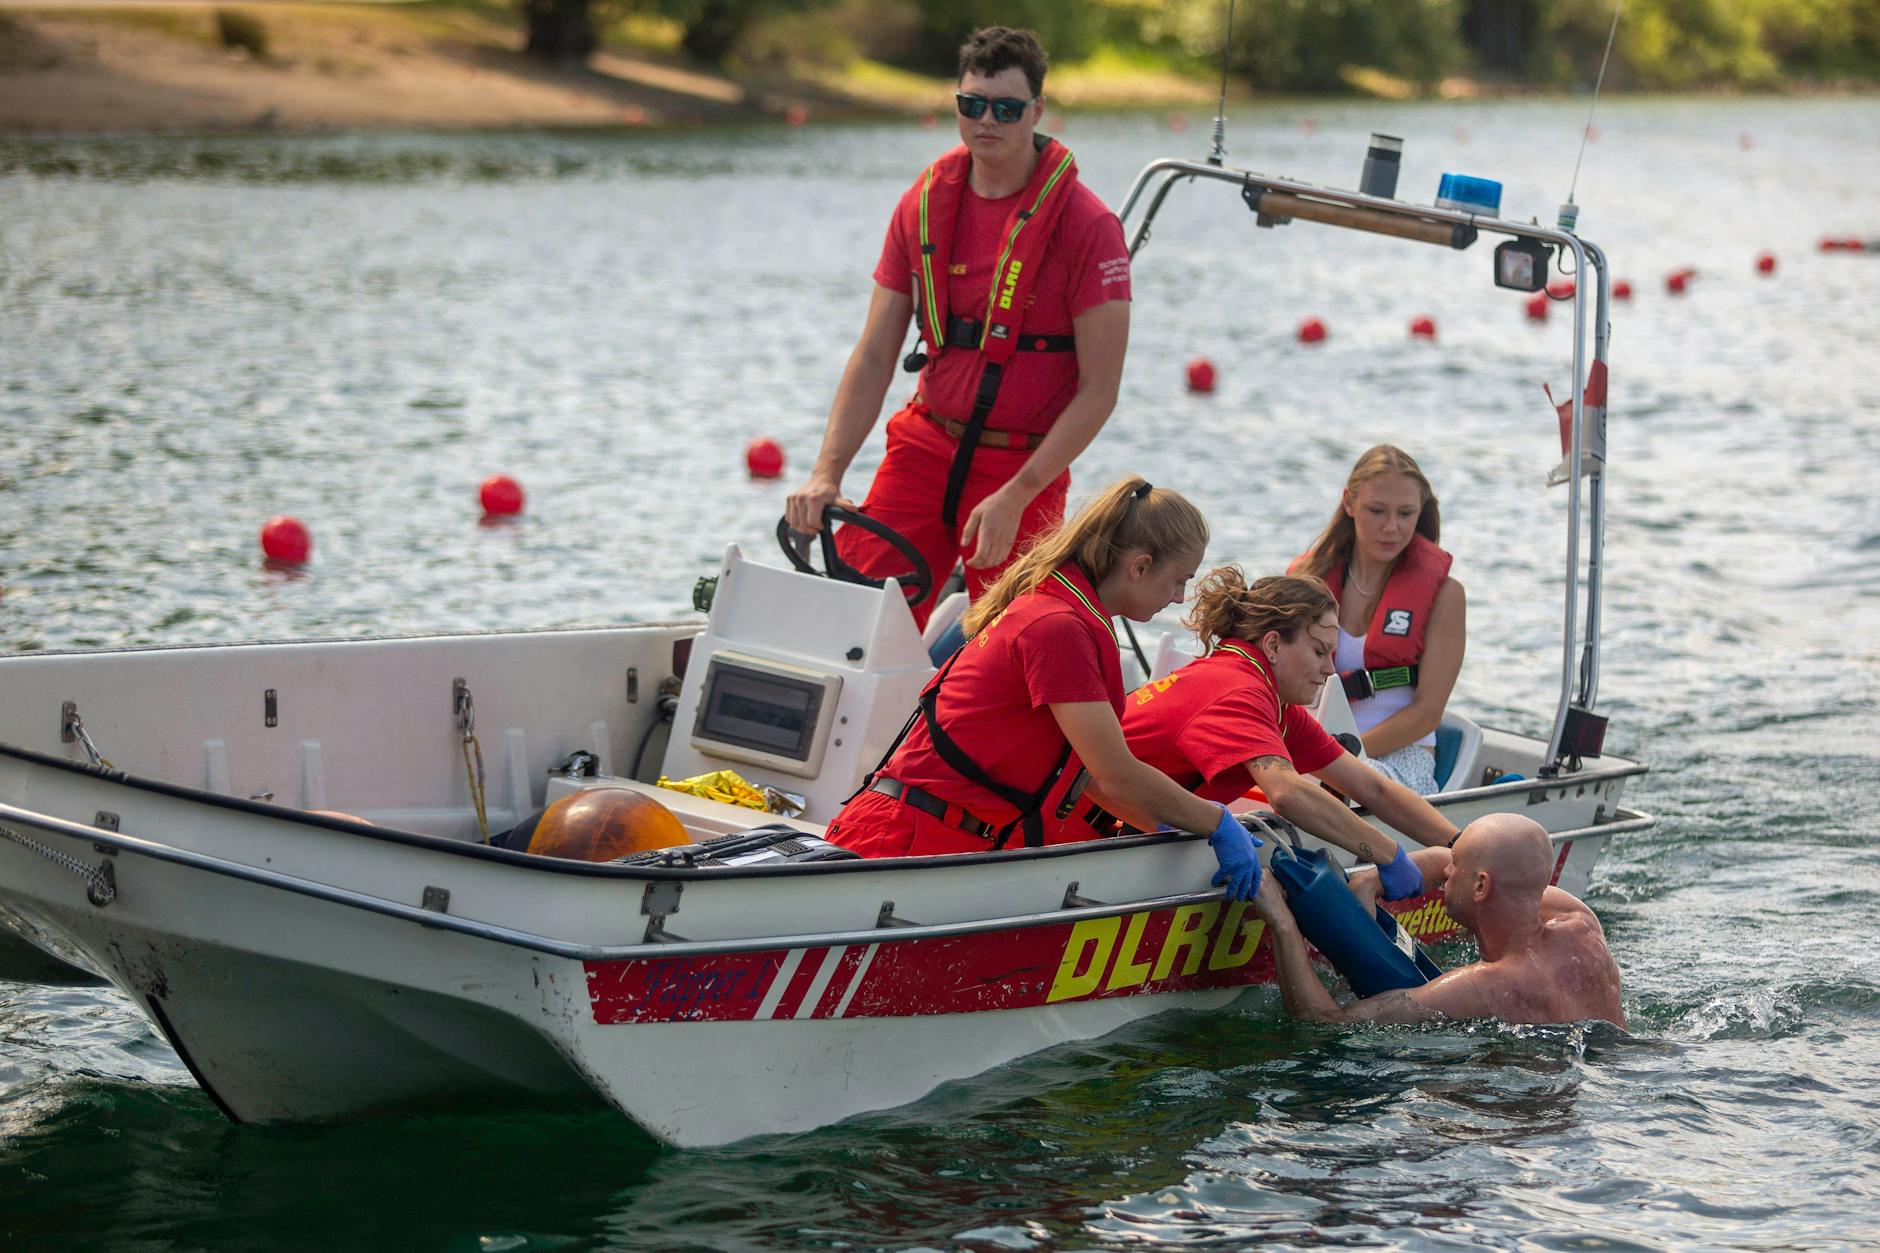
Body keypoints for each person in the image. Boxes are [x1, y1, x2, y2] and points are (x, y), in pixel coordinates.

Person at [784, 26, 1132, 631]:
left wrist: (1019, 493)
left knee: (1014, 642)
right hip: (924, 449)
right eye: (972, 105)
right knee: (852, 625)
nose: (986, 120)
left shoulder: (1090, 226)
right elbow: (874, 355)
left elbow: (1099, 390)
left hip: (1021, 469)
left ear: (1037, 111)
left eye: (1006, 108)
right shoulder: (921, 205)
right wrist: (825, 474)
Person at [824, 478, 1263, 902]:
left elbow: (1089, 778)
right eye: (1179, 580)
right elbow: (1115, 774)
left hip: (942, 843)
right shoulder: (1058, 628)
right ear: (1140, 567)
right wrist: (1217, 823)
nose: (1180, 597)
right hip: (902, 844)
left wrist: (1176, 829)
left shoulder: (1060, 611)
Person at [1050, 570, 1456, 899]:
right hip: (1061, 844)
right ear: (1273, 644)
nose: (1330, 669)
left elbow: (1373, 789)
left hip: (1108, 834)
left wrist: (1461, 845)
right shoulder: (1239, 691)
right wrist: (1388, 854)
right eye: (1319, 651)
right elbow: (1288, 794)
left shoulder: (1273, 702)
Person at [1254, 813, 1627, 1027]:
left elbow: (1322, 1021)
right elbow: (1442, 859)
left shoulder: (1480, 988)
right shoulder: (1577, 920)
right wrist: (1371, 881)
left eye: (1456, 866)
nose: (1445, 872)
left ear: (1480, 886)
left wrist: (1281, 924)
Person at [1291, 445, 1465, 795]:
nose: (1391, 527)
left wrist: (1339, 757)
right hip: (1318, 752)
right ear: (1349, 503)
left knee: (1327, 788)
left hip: (1402, 759)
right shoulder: (1306, 579)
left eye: (1405, 513)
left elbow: (1427, 713)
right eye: (1376, 511)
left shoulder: (1447, 595)